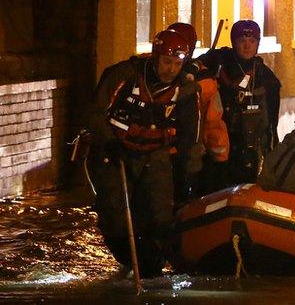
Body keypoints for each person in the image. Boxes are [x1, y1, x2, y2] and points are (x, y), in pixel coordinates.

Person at [86, 29, 203, 277]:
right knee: (116, 212)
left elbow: (189, 136)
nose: (171, 69)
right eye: (167, 62)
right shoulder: (124, 76)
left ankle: (152, 265)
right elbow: (95, 113)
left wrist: (186, 174)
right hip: (116, 153)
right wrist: (109, 142)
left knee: (161, 213)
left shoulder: (186, 90)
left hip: (155, 154)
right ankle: (128, 258)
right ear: (155, 57)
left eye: (178, 64)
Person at [197, 19, 281, 185]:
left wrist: (271, 149)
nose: (247, 46)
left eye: (252, 41)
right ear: (234, 42)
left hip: (250, 148)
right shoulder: (220, 63)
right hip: (220, 145)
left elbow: (272, 121)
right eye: (242, 41)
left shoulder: (267, 78)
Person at [166, 22, 229, 199]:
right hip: (158, 153)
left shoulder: (204, 82)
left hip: (187, 156)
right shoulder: (151, 75)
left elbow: (213, 123)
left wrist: (219, 159)